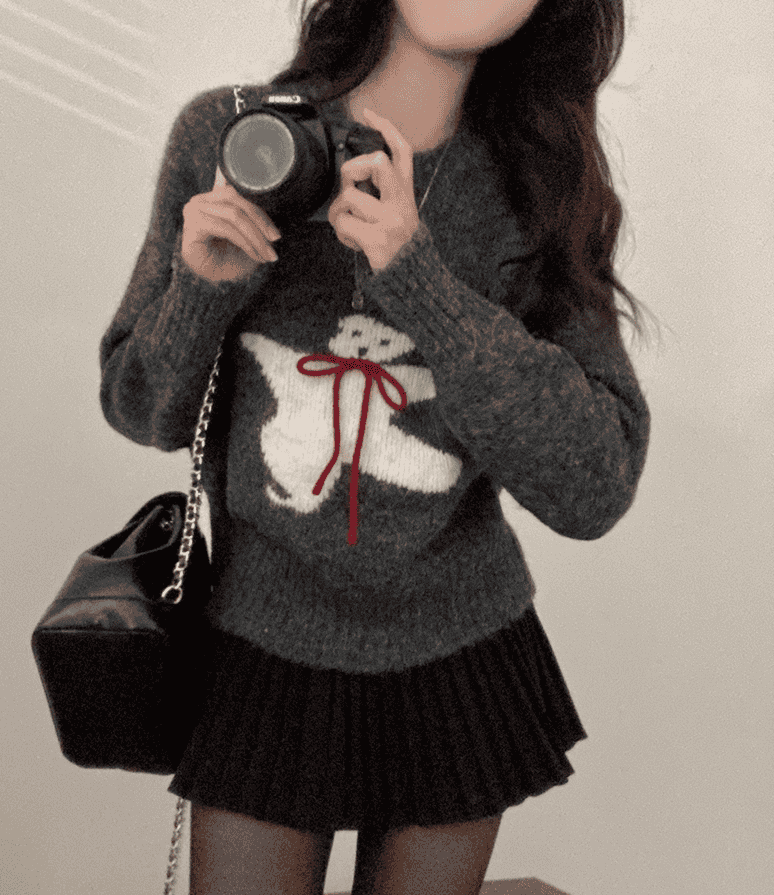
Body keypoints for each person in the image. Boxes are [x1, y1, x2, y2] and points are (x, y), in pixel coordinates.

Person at [99, 1, 654, 892]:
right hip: (263, 645)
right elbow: (141, 411)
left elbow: (595, 484)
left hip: (460, 655)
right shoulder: (235, 137)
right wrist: (202, 289)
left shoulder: (539, 188)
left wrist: (421, 282)